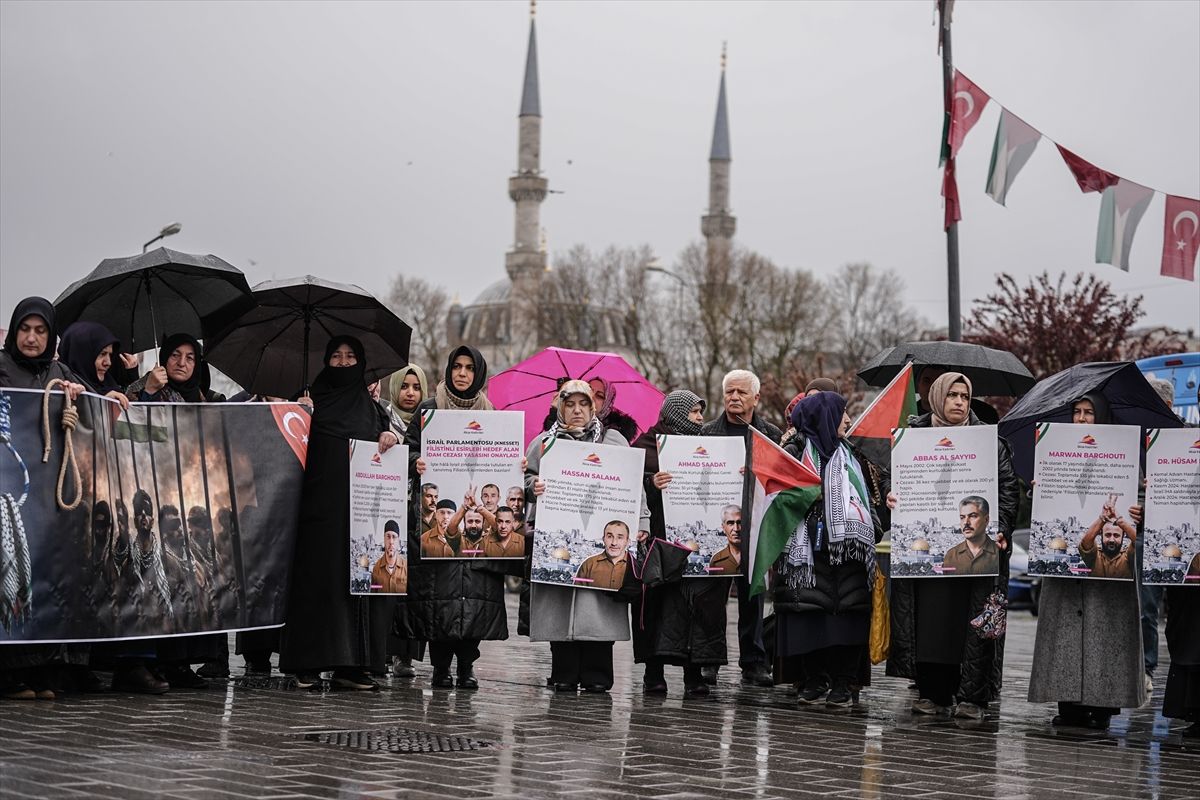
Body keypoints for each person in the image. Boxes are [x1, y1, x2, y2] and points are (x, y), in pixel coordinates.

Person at [887, 372, 1019, 720]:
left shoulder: (989, 442)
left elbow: (1008, 490)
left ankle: (972, 697)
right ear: (937, 398)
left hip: (975, 557)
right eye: (953, 396)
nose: (960, 402)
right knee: (930, 624)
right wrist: (891, 494)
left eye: (965, 396)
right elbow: (891, 477)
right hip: (928, 558)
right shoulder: (910, 439)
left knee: (973, 625)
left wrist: (1002, 527)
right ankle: (932, 692)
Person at [279, 336, 399, 691]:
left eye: (351, 356)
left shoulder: (372, 408)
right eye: (336, 355)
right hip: (317, 516)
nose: (344, 362)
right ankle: (307, 664)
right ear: (325, 361)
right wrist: (298, 416)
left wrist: (390, 437)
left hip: (361, 518)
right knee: (318, 588)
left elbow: (391, 451)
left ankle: (354, 666)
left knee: (358, 593)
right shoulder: (310, 403)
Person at [1028, 392, 1146, 729]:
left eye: (1089, 413)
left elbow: (1141, 513)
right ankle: (1069, 706)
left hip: (1109, 575)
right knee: (1065, 638)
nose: (1081, 419)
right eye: (1076, 412)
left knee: (1106, 637)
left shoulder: (1124, 459)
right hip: (1067, 574)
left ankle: (1103, 707)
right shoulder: (1052, 455)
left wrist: (1141, 510)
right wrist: (1040, 489)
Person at [525, 380, 649, 693]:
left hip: (603, 539)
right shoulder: (544, 443)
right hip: (558, 539)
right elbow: (523, 478)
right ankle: (564, 673)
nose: (577, 410)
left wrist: (642, 521)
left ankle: (597, 675)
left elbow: (634, 484)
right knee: (559, 603)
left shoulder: (613, 440)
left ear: (593, 407)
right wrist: (532, 486)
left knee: (598, 604)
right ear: (559, 407)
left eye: (584, 404)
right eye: (570, 404)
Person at [402, 345, 511, 690]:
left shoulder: (493, 415)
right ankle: (440, 668)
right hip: (441, 524)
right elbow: (409, 448)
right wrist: (415, 461)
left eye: (468, 368)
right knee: (441, 600)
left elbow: (505, 460)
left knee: (474, 599)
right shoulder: (429, 410)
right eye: (457, 367)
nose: (462, 373)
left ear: (478, 374)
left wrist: (516, 466)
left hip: (479, 528)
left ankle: (467, 666)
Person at [0, 299, 89, 701]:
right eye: (25, 330)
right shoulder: (1, 368)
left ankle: (42, 669)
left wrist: (81, 396)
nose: (32, 338)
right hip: (11, 491)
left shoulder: (60, 372)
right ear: (15, 332)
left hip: (50, 493)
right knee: (10, 573)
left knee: (44, 577)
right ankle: (8, 673)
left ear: (51, 335)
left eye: (39, 331)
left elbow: (94, 406)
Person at [778, 391, 882, 708]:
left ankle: (842, 680)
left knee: (846, 621)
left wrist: (869, 525)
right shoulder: (792, 454)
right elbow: (777, 499)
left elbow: (871, 501)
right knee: (809, 619)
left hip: (848, 557)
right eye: (841, 413)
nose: (848, 420)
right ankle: (813, 678)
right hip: (807, 554)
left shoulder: (853, 456)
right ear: (822, 418)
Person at [631, 388, 726, 697]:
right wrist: (650, 482)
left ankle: (694, 672)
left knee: (695, 606)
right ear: (675, 414)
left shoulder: (706, 447)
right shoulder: (645, 446)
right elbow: (626, 485)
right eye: (694, 413)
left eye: (700, 412)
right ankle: (653, 672)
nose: (700, 419)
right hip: (659, 544)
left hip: (696, 545)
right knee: (656, 606)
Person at [699, 369, 781, 688]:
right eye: (730, 392)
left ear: (756, 398)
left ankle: (753, 662)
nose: (734, 397)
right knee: (712, 600)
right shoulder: (707, 433)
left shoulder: (770, 434)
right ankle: (710, 661)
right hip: (716, 529)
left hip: (756, 526)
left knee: (753, 597)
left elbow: (779, 481)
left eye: (741, 393)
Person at [57, 321, 132, 410]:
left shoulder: (108, 384)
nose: (108, 363)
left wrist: (132, 375)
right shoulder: (60, 387)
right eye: (102, 354)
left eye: (110, 355)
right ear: (82, 354)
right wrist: (101, 404)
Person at [941, 497, 1000, 576]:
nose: (966, 522)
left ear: (986, 520)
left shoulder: (999, 552)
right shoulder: (951, 555)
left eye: (973, 516)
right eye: (962, 517)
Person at [1077, 505, 1137, 579]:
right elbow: (1086, 542)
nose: (1112, 540)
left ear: (1122, 537)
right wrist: (1102, 518)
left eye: (1116, 535)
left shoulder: (1128, 557)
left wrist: (1121, 521)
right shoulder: (1094, 557)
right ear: (1101, 535)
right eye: (1108, 535)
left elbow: (1138, 542)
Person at [575, 521, 631, 590]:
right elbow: (577, 593)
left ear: (627, 542)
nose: (614, 543)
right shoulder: (588, 565)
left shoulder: (635, 568)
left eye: (620, 537)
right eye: (610, 537)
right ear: (603, 539)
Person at [380, 364, 428, 435]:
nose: (410, 393)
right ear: (394, 388)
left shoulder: (431, 422)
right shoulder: (381, 419)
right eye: (403, 386)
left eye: (416, 388)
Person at [371, 521, 408, 594]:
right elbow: (373, 590)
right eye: (388, 537)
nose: (391, 541)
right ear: (384, 539)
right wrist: (381, 586)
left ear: (398, 541)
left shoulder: (406, 568)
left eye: (394, 537)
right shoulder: (376, 569)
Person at [708, 507, 743, 576]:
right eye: (730, 523)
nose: (736, 529)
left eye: (739, 523)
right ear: (723, 528)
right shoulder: (716, 561)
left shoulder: (757, 558)